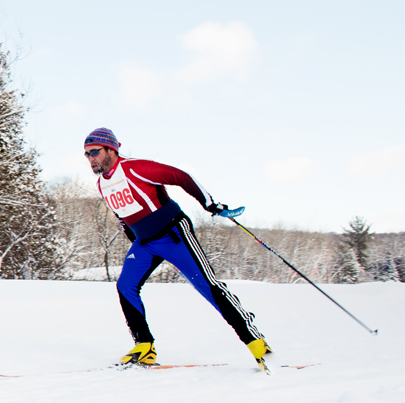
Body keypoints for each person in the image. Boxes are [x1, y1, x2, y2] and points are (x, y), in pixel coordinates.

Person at [84, 127, 270, 367]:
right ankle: (144, 346)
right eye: (87, 154)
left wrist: (209, 203)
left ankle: (258, 345)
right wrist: (132, 233)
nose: (90, 159)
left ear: (111, 149)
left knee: (209, 287)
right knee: (125, 286)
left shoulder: (136, 168)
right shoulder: (102, 184)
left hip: (174, 236)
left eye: (95, 152)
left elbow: (180, 176)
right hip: (145, 244)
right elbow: (121, 212)